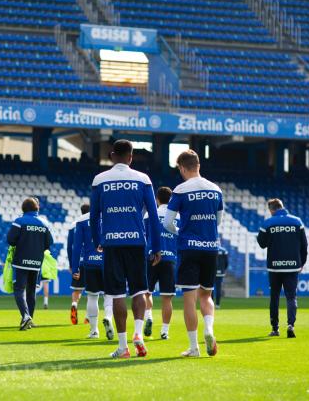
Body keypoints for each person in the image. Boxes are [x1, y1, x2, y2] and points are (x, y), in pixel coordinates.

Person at [90, 140, 161, 359]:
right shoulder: (143, 179)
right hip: (137, 243)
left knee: (117, 294)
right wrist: (156, 246)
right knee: (140, 290)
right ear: (131, 157)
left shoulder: (100, 180)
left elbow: (94, 216)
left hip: (111, 243)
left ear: (112, 156)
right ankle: (138, 333)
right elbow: (154, 215)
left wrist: (97, 240)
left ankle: (123, 346)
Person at [163, 149, 223, 358]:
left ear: (181, 167)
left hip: (188, 247)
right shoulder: (216, 190)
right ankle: (209, 329)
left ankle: (194, 347)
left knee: (189, 298)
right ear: (198, 165)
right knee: (206, 295)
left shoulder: (180, 190)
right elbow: (218, 221)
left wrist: (180, 233)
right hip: (210, 247)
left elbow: (167, 222)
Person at [256, 198, 308, 338]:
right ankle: (291, 325)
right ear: (282, 207)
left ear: (272, 209)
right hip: (292, 266)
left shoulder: (268, 223)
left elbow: (261, 243)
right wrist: (301, 263)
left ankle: (275, 328)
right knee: (291, 297)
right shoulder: (297, 222)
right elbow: (304, 245)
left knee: (274, 297)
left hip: (275, 267)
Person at [6, 197, 53, 330]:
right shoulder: (44, 223)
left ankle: (26, 317)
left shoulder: (19, 221)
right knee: (31, 291)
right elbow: (50, 243)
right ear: (36, 208)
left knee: (19, 289)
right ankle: (29, 319)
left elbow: (10, 240)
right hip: (36, 262)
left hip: (21, 261)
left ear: (23, 208)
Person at [73, 203, 114, 340]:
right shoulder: (110, 217)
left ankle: (94, 331)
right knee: (109, 295)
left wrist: (75, 268)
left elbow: (77, 246)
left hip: (90, 263)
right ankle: (108, 317)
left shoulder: (82, 220)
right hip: (107, 262)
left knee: (92, 296)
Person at [143, 186, 178, 340]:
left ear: (156, 199)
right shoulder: (177, 217)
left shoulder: (150, 215)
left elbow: (144, 237)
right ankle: (165, 331)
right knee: (167, 298)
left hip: (152, 257)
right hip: (170, 259)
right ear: (171, 200)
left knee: (146, 292)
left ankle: (149, 316)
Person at [68, 224, 84, 324]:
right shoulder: (97, 223)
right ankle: (88, 317)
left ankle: (74, 304)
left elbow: (69, 247)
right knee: (92, 293)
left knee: (77, 289)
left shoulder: (74, 227)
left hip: (78, 262)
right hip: (92, 262)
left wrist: (72, 265)